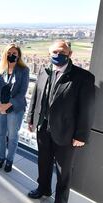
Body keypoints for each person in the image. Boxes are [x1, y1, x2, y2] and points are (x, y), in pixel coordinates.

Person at [27, 40, 95, 203]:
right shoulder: (44, 72)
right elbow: (36, 97)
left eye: (62, 52)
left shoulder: (83, 77)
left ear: (70, 54)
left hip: (66, 132)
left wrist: (81, 135)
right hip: (43, 128)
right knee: (43, 162)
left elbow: (87, 110)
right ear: (49, 54)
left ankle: (61, 200)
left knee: (63, 171)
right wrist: (31, 118)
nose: (58, 55)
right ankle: (43, 189)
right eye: (54, 52)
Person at [0, 43, 29, 172]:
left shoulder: (24, 70)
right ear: (5, 54)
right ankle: (1, 157)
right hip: (0, 107)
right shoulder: (0, 68)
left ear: (19, 55)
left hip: (15, 107)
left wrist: (8, 104)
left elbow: (22, 92)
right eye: (9, 53)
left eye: (14, 53)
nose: (11, 55)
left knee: (13, 136)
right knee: (1, 134)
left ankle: (9, 160)